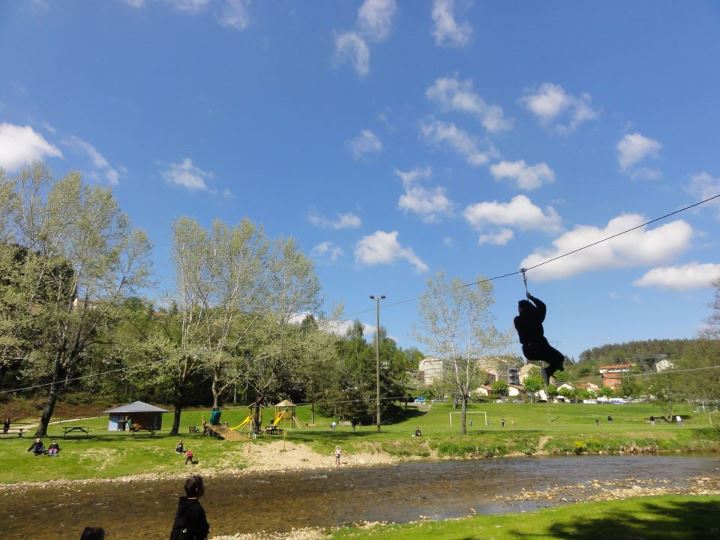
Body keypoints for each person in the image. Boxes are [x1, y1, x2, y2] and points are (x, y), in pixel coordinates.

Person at [514, 293, 565, 384]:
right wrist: (531, 298)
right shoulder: (536, 317)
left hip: (528, 352)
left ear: (521, 308)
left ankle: (552, 367)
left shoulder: (517, 320)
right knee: (559, 358)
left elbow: (527, 317)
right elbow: (542, 306)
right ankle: (550, 369)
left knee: (556, 359)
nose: (517, 309)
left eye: (518, 307)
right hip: (540, 347)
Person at [170, 475, 210, 540]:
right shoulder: (196, 509)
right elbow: (201, 533)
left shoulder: (182, 505)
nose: (203, 488)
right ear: (197, 489)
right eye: (202, 486)